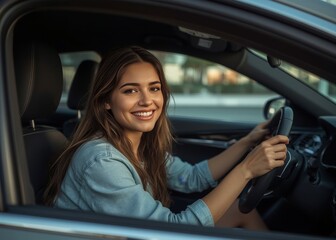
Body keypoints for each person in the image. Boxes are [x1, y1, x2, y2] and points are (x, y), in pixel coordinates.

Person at [44, 46, 289, 229]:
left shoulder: (138, 145)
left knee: (242, 211)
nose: (147, 100)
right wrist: (246, 170)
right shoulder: (102, 161)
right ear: (106, 101)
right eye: (130, 90)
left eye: (154, 88)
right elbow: (173, 230)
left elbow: (192, 178)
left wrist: (248, 142)